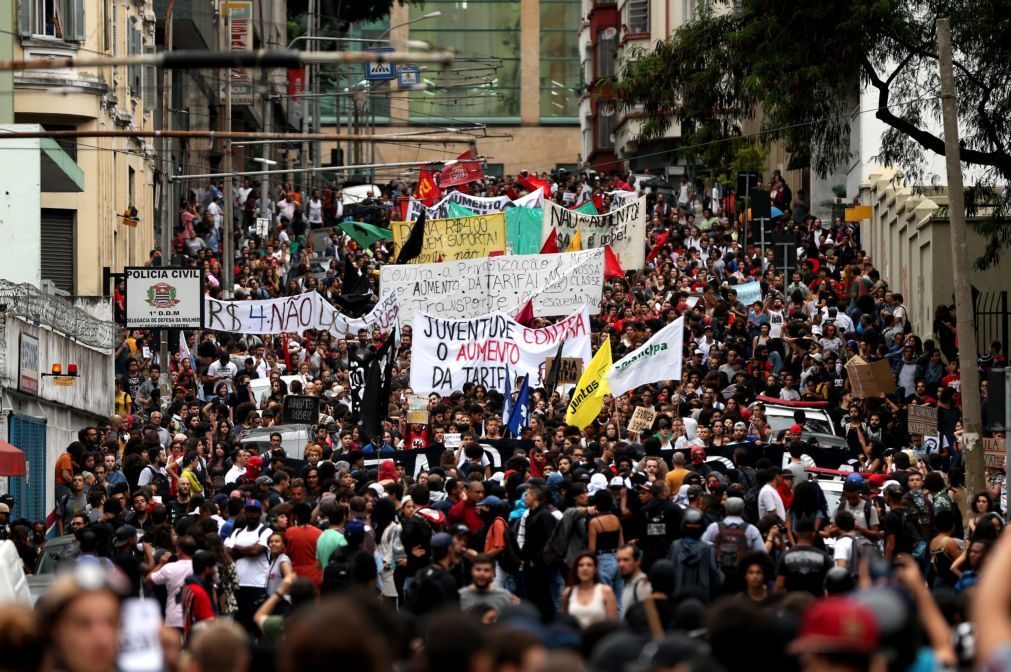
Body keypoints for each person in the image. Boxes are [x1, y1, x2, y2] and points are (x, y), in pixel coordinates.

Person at [224, 499, 271, 634]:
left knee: (255, 625)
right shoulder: (238, 532)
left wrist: (237, 548)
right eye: (248, 512)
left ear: (259, 513)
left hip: (258, 585)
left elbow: (256, 551)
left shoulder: (265, 531)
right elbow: (228, 553)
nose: (251, 515)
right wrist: (248, 550)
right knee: (240, 626)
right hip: (238, 585)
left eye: (254, 512)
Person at [147, 534, 197, 632]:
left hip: (174, 618)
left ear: (180, 550)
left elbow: (148, 580)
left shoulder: (169, 568)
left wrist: (161, 564)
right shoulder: (199, 566)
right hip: (195, 617)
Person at [560, 552, 617, 629]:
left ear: (595, 569)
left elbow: (613, 625)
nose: (585, 568)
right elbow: (564, 623)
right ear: (576, 569)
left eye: (589, 565)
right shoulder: (568, 592)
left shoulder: (606, 591)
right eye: (581, 565)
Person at [181, 549, 219, 639]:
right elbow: (210, 622)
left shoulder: (188, 586)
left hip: (190, 636)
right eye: (213, 568)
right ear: (207, 569)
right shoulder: (200, 592)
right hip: (201, 639)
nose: (215, 571)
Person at [616, 544, 651, 616]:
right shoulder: (629, 584)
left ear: (638, 561)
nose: (621, 564)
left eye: (626, 560)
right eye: (618, 560)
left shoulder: (642, 585)